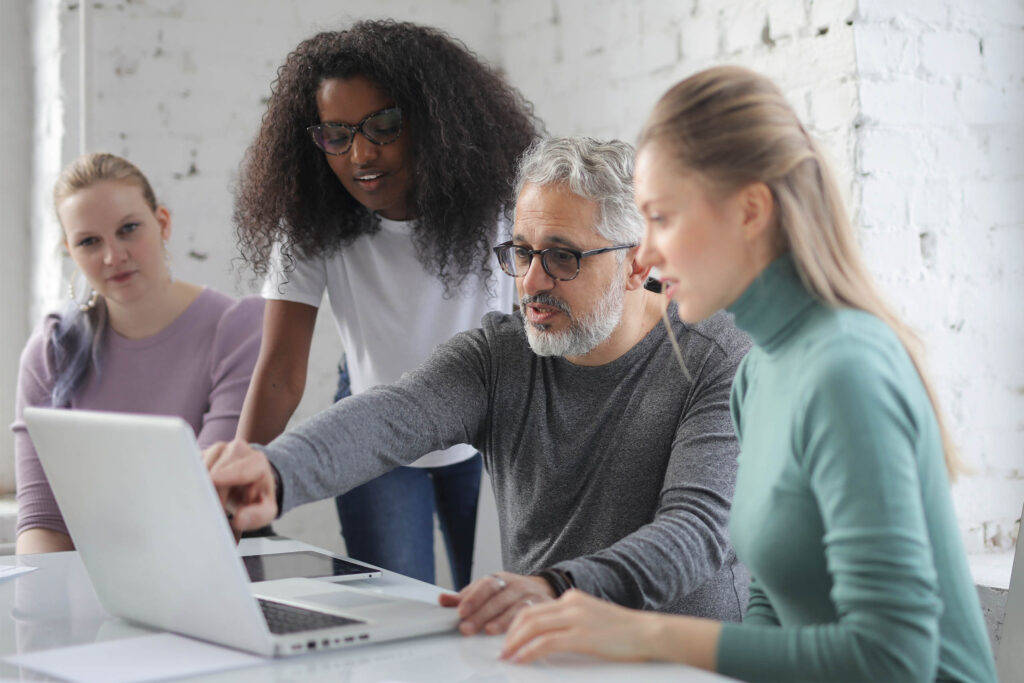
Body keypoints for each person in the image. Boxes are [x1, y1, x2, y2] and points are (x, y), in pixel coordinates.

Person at [501, 67, 997, 683]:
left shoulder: (846, 370)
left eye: (661, 218)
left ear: (750, 211)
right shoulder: (757, 371)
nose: (646, 255)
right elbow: (771, 600)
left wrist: (644, 633)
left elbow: (893, 660)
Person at [208, 137, 752, 635]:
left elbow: (697, 532)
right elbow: (391, 415)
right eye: (521, 252)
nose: (531, 283)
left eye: (562, 257)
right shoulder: (502, 355)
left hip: (686, 659)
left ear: (637, 263)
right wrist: (274, 471)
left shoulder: (717, 358)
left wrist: (556, 590)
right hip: (550, 652)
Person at [232, 20, 541, 589]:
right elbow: (278, 372)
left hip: (493, 434)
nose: (361, 153)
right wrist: (234, 481)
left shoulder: (503, 200)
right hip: (374, 436)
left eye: (385, 126)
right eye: (337, 134)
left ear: (433, 122)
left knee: (503, 610)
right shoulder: (309, 223)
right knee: (398, 610)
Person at [12, 152, 263, 555]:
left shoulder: (236, 330)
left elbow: (207, 502)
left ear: (162, 223)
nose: (113, 256)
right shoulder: (51, 348)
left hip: (199, 570)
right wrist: (47, 610)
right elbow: (42, 519)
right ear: (70, 251)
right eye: (89, 241)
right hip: (84, 581)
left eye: (128, 229)